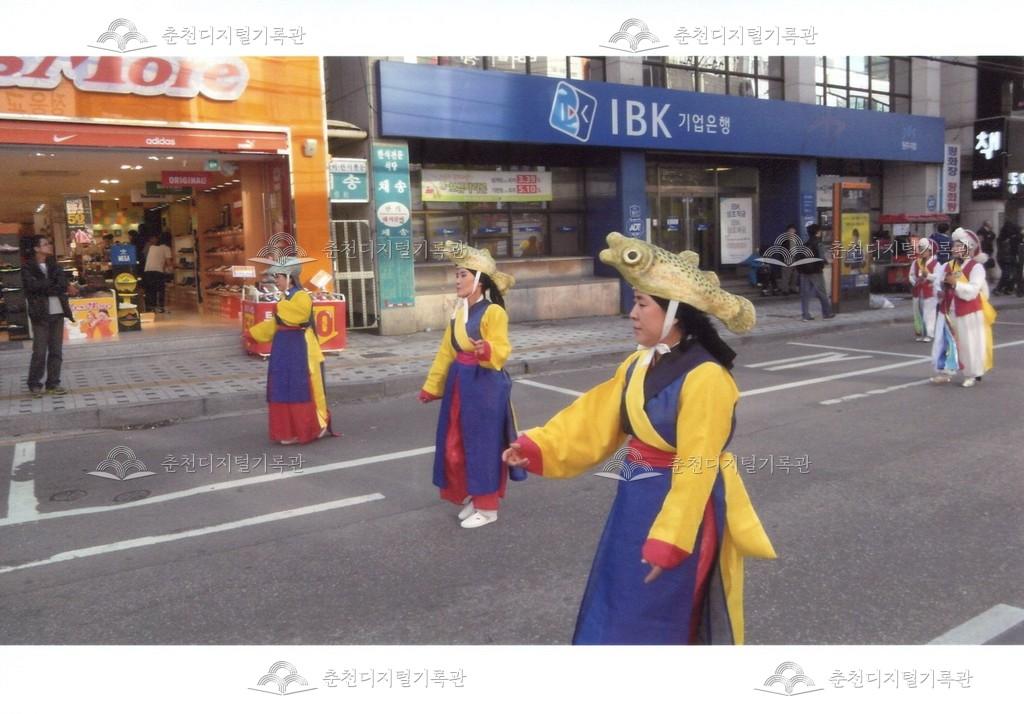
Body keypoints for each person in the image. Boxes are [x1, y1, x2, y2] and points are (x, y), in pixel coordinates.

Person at [503, 232, 776, 644]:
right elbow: (594, 418)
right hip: (635, 500)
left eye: (642, 304)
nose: (632, 314)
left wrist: (672, 538)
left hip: (683, 510)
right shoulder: (637, 364)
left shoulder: (707, 378)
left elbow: (697, 466)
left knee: (660, 615)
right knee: (619, 599)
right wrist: (538, 446)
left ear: (675, 313)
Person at [419, 241, 525, 529]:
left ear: (479, 280)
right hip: (460, 382)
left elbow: (501, 348)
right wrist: (432, 386)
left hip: (484, 385)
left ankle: (487, 507)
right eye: (456, 275)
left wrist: (487, 350)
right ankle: (473, 494)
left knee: (483, 444)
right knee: (455, 443)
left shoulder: (494, 312)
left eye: (463, 275)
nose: (457, 280)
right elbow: (446, 352)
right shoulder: (459, 312)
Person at [245, 256, 334, 444]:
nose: (275, 281)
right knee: (282, 386)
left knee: (299, 387)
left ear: (289, 277)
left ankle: (310, 427)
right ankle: (287, 431)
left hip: (299, 347)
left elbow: (292, 317)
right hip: (283, 347)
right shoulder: (285, 297)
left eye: (278, 277)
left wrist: (279, 306)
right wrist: (253, 333)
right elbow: (276, 323)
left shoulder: (301, 296)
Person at [930, 229, 996, 388]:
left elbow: (973, 290)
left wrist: (956, 284)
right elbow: (936, 283)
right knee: (945, 342)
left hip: (968, 312)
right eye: (954, 246)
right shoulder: (946, 266)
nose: (954, 249)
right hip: (947, 310)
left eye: (958, 246)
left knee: (969, 344)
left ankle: (971, 374)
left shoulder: (976, 268)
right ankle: (945, 372)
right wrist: (939, 290)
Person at [21, 235, 77, 396]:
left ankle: (53, 383)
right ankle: (34, 384)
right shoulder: (28, 267)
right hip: (40, 313)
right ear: (36, 248)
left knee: (56, 350)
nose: (49, 246)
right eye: (45, 244)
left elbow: (62, 284)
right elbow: (32, 286)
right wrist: (53, 284)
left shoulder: (54, 265)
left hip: (57, 312)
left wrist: (49, 286)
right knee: (39, 351)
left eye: (49, 243)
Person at [796, 223, 834, 321]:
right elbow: (822, 258)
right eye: (820, 231)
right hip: (816, 271)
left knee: (805, 294)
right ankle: (827, 313)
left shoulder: (805, 244)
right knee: (822, 292)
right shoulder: (819, 243)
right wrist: (828, 261)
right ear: (817, 232)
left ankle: (805, 315)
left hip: (804, 271)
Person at [908, 237, 939, 342]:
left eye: (924, 250)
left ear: (930, 251)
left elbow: (937, 277)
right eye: (920, 249)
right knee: (918, 312)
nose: (922, 252)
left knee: (929, 313)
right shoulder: (916, 263)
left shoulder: (935, 264)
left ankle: (929, 334)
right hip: (918, 291)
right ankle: (920, 332)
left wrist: (928, 276)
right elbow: (911, 274)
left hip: (930, 292)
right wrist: (914, 281)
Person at [142, 234, 172, 313]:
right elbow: (168, 262)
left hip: (147, 271)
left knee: (150, 290)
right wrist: (173, 268)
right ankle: (160, 307)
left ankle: (150, 307)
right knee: (160, 290)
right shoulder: (166, 248)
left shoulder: (152, 247)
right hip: (157, 271)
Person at [993, 221, 1021, 296]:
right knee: (1008, 274)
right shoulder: (1012, 238)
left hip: (1004, 257)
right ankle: (1002, 288)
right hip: (1007, 257)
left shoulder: (1008, 237)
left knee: (1009, 274)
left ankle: (1007, 288)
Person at [779, 223, 800, 295]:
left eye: (793, 230)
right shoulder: (784, 239)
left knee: (795, 275)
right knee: (786, 275)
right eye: (790, 230)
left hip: (795, 258)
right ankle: (785, 290)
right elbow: (781, 250)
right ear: (787, 231)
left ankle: (793, 288)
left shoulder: (797, 239)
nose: (792, 232)